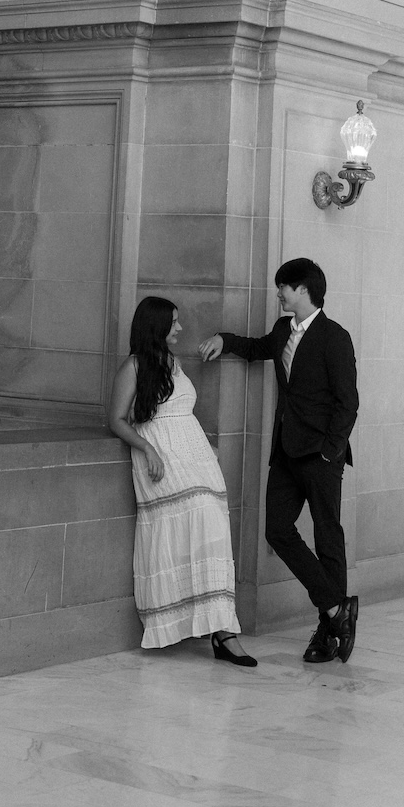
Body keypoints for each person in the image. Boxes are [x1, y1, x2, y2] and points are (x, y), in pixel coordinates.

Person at [199, 257, 359, 665]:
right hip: (286, 453)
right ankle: (336, 610)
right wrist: (224, 339)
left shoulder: (334, 337)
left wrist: (331, 450)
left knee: (327, 538)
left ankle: (327, 634)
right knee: (277, 530)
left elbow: (348, 402)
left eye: (283, 287)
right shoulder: (283, 329)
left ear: (302, 290)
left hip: (321, 455)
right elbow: (257, 348)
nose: (278, 293)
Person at [109, 295, 256, 668]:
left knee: (213, 531)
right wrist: (148, 450)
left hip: (197, 461)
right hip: (163, 463)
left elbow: (181, 412)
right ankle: (182, 623)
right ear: (156, 326)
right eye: (173, 322)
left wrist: (205, 444)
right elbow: (116, 419)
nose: (179, 328)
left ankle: (221, 629)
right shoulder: (134, 366)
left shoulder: (171, 363)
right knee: (192, 526)